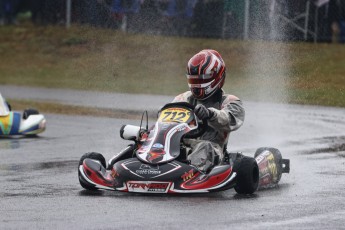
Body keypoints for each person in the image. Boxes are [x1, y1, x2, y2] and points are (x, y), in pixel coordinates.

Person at [171, 49, 245, 172]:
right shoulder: (183, 98)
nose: (196, 84)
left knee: (204, 147)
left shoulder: (230, 101)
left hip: (212, 150)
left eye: (202, 79)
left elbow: (228, 120)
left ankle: (190, 173)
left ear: (217, 77)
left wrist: (210, 114)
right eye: (194, 79)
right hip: (180, 146)